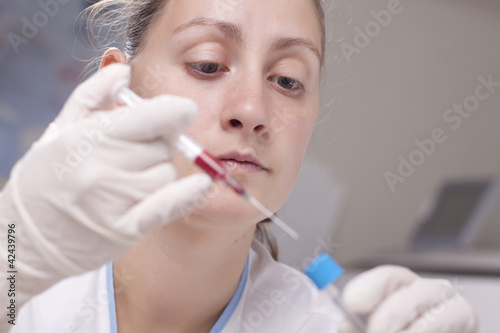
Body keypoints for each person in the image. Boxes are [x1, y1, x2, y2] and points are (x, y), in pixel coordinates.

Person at [0, 0, 478, 332]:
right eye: (207, 64)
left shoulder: (327, 325)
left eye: (287, 80)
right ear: (116, 93)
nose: (252, 110)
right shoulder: (20, 276)